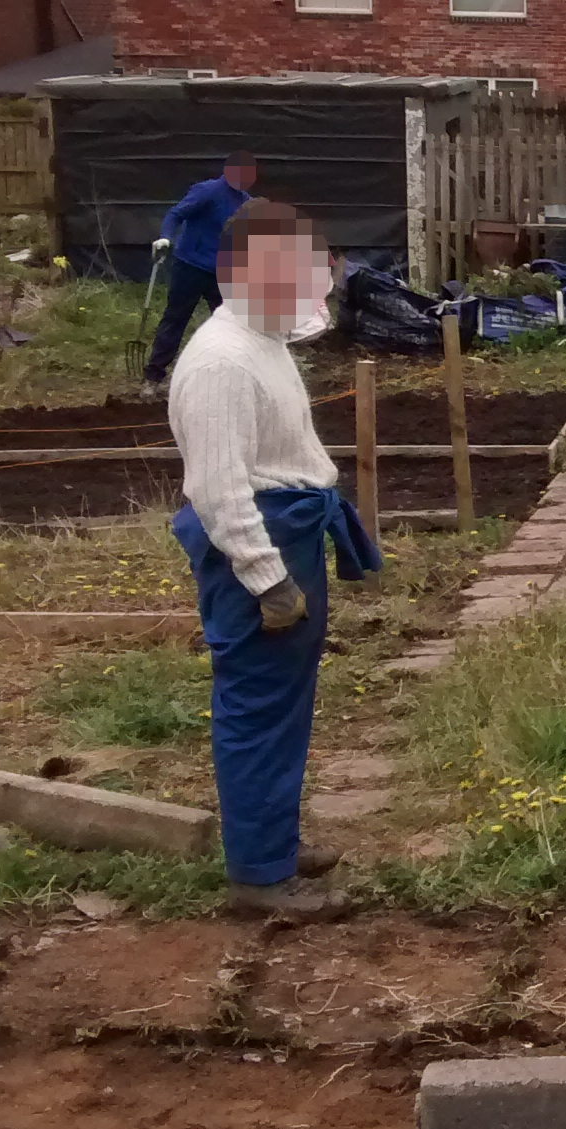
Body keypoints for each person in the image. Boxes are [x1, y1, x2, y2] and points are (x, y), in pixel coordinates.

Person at [167, 198, 381, 922]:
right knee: (257, 708)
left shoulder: (263, 339)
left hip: (287, 534)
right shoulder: (221, 364)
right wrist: (268, 579)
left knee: (285, 706)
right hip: (254, 553)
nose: (310, 288)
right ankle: (260, 878)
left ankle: (274, 845)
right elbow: (217, 489)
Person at [145, 155, 258, 384]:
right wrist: (166, 237)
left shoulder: (246, 203)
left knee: (233, 323)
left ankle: (232, 374)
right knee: (176, 318)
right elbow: (176, 214)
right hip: (190, 266)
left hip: (223, 274)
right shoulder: (208, 191)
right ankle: (154, 375)